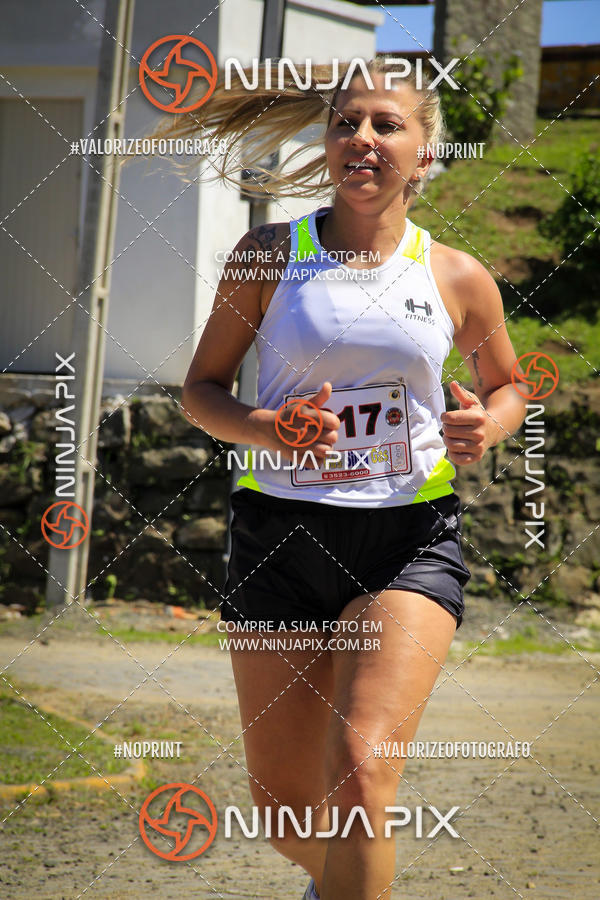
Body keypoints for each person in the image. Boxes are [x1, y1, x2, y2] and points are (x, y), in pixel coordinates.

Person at [176, 57, 528, 900]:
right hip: (279, 534)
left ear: (426, 156)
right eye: (346, 122)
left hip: (408, 538)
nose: (362, 139)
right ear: (328, 141)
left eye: (387, 124)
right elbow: (201, 393)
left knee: (365, 770)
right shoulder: (267, 256)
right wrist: (265, 428)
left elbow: (508, 383)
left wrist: (490, 421)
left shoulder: (456, 275)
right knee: (285, 809)